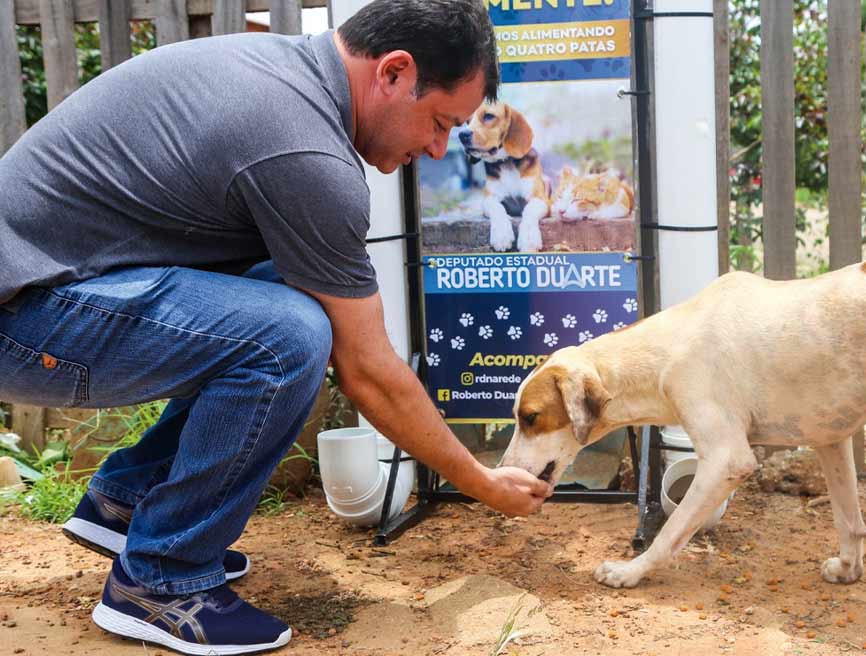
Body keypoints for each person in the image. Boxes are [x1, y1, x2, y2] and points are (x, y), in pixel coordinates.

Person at [0, 1, 552, 652]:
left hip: (51, 287)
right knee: (289, 335)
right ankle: (161, 581)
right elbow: (367, 370)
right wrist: (481, 482)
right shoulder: (303, 147)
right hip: (27, 316)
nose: (435, 149)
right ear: (395, 72)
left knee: (287, 294)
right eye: (439, 123)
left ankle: (129, 502)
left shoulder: (282, 75)